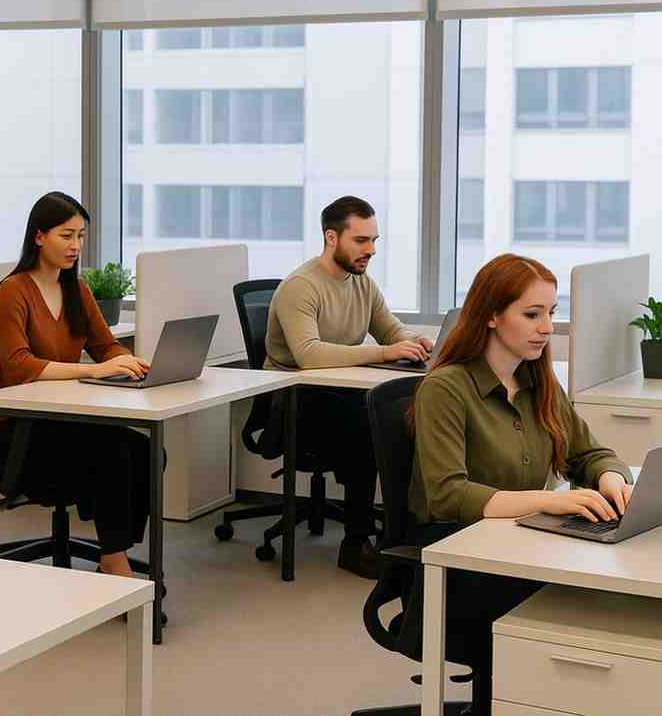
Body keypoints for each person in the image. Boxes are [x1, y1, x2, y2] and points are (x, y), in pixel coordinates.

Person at [409, 252, 633, 703]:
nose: (547, 327)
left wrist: (610, 477)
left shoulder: (538, 381)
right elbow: (447, 495)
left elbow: (590, 453)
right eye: (532, 314)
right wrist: (548, 501)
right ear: (491, 316)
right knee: (582, 606)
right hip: (461, 557)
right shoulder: (446, 389)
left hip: (523, 544)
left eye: (551, 313)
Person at [264, 196, 434, 578]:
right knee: (368, 424)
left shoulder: (362, 283)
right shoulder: (301, 287)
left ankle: (404, 536)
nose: (371, 250)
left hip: (341, 393)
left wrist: (414, 341)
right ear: (331, 237)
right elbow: (308, 355)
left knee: (408, 415)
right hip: (294, 401)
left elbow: (390, 329)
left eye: (374, 240)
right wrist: (385, 352)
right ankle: (355, 543)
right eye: (361, 240)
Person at [0, 191, 157, 578]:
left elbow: (105, 345)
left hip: (66, 418)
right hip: (23, 429)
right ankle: (115, 562)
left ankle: (113, 549)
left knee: (147, 451)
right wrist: (92, 372)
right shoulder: (13, 291)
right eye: (66, 236)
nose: (76, 246)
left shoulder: (77, 290)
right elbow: (18, 366)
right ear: (39, 237)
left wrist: (126, 362)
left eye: (80, 236)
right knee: (115, 451)